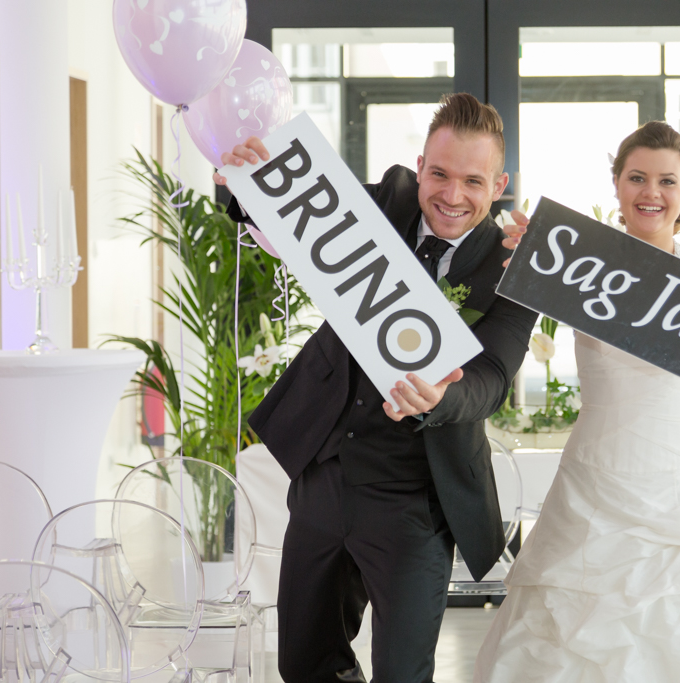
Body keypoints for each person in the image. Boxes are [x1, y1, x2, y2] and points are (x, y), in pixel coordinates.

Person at [474, 121, 680, 683]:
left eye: (666, 180)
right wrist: (524, 252)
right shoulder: (579, 268)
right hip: (593, 477)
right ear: (616, 185)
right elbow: (510, 291)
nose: (650, 192)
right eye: (636, 177)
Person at [215, 93, 538, 683]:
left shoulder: (515, 270)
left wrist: (444, 399)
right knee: (305, 664)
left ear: (499, 185)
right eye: (438, 174)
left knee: (402, 674)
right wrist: (243, 181)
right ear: (419, 167)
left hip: (417, 498)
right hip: (326, 472)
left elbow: (491, 378)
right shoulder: (385, 202)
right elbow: (285, 215)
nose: (452, 195)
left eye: (472, 180)